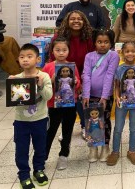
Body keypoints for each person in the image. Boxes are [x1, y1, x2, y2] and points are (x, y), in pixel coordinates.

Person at [11, 44, 53, 189]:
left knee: (40, 147)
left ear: (38, 59)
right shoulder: (17, 78)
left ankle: (38, 170)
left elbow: (48, 96)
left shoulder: (44, 76)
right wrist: (12, 86)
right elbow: (15, 102)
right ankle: (23, 174)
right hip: (21, 121)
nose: (25, 60)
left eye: (29, 56)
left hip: (40, 120)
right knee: (21, 148)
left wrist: (40, 85)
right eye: (22, 57)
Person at [50, 10, 95, 139]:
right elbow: (53, 56)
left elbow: (92, 56)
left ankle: (84, 126)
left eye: (79, 18)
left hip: (83, 73)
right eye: (72, 19)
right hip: (64, 75)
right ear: (67, 21)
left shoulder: (88, 36)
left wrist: (85, 77)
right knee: (66, 101)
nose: (76, 21)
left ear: (84, 21)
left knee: (82, 101)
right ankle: (65, 130)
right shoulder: (59, 36)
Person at [43, 37, 81, 171]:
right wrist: (51, 80)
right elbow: (42, 87)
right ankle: (43, 157)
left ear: (68, 51)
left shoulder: (72, 66)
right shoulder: (48, 67)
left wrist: (76, 82)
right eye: (57, 50)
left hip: (70, 104)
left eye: (64, 50)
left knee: (67, 130)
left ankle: (63, 155)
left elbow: (78, 85)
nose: (61, 53)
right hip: (54, 105)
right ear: (52, 50)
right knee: (51, 130)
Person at [82, 29, 119, 162]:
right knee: (91, 122)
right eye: (99, 42)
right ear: (94, 43)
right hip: (90, 95)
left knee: (105, 121)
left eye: (106, 42)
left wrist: (104, 96)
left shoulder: (113, 55)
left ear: (111, 43)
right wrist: (86, 94)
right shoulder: (89, 56)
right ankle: (93, 148)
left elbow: (110, 75)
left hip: (105, 96)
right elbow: (86, 75)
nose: (102, 45)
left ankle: (105, 146)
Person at [106, 42, 135, 166]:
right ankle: (115, 151)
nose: (130, 54)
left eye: (133, 51)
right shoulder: (119, 68)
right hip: (122, 103)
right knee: (118, 128)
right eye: (127, 51)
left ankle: (132, 151)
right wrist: (117, 97)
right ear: (122, 53)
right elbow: (117, 85)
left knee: (134, 128)